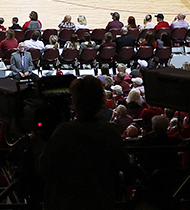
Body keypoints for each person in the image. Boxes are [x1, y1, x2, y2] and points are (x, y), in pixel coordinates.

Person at [38, 76, 130, 209]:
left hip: (67, 202)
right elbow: (123, 164)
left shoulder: (64, 132)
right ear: (101, 100)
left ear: (75, 101)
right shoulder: (110, 131)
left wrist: (38, 144)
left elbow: (44, 168)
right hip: (101, 201)